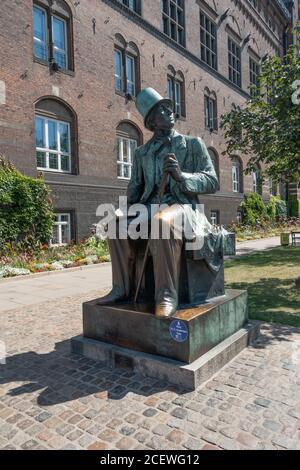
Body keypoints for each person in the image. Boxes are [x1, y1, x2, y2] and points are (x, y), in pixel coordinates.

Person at [97, 88, 220, 318]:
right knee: (115, 223)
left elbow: (212, 181)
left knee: (163, 221)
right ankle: (121, 288)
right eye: (161, 109)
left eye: (168, 107)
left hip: (183, 207)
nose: (168, 111)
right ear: (151, 120)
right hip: (150, 206)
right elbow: (136, 189)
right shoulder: (142, 153)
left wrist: (182, 177)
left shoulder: (193, 144)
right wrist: (126, 208)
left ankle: (166, 295)